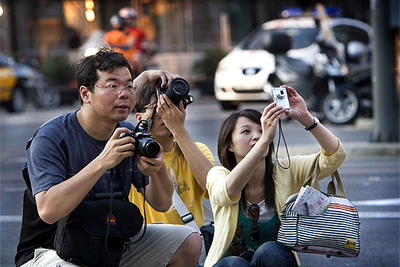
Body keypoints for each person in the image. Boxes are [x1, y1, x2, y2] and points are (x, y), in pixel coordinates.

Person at [15, 48, 202, 267]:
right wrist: (103, 162)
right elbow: (48, 210)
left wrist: (157, 168)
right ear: (85, 94)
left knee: (187, 241)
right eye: (113, 86)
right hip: (50, 250)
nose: (124, 94)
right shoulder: (52, 137)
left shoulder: (128, 132)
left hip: (109, 243)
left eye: (129, 86)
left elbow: (161, 203)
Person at [204, 85, 346, 267]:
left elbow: (335, 156)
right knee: (233, 264)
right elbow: (227, 192)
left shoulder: (285, 170)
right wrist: (264, 141)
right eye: (246, 131)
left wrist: (306, 118)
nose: (257, 136)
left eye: (262, 130)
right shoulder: (219, 174)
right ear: (229, 145)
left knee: (272, 250)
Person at [130, 83, 214, 229]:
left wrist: (178, 129)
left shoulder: (198, 151)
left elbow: (213, 189)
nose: (166, 114)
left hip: (193, 246)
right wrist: (147, 77)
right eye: (157, 108)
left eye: (172, 106)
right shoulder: (128, 156)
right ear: (139, 118)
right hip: (149, 244)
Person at [118, 6, 147, 75]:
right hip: (121, 53)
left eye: (131, 18)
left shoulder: (138, 31)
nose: (129, 21)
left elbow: (146, 42)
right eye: (126, 19)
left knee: (137, 57)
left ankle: (141, 75)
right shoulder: (116, 32)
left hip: (134, 54)